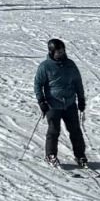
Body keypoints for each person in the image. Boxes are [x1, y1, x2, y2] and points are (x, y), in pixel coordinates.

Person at [36, 38, 87, 168]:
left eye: (63, 51)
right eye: (58, 52)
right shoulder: (45, 66)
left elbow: (78, 82)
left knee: (75, 130)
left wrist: (81, 99)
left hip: (69, 103)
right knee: (54, 131)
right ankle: (51, 155)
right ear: (51, 52)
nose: (61, 53)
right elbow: (38, 84)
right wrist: (41, 101)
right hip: (53, 104)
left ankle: (80, 155)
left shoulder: (70, 64)